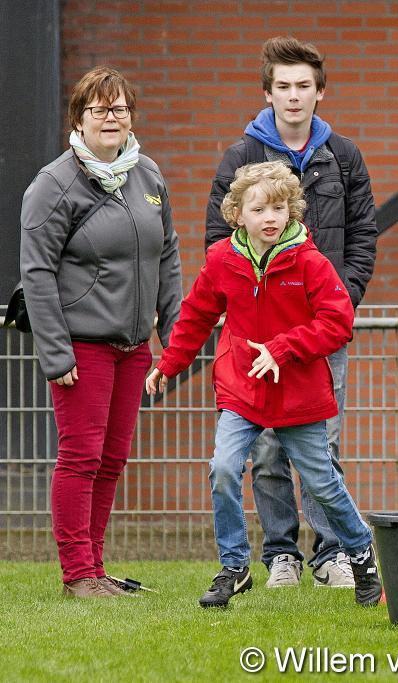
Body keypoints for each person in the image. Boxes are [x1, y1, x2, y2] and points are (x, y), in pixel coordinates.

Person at [148, 161, 381, 608]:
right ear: (237, 214)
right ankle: (234, 566)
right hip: (242, 390)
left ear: (292, 210)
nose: (270, 218)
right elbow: (196, 314)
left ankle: (361, 552)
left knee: (322, 483)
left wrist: (283, 348)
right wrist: (170, 363)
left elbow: (338, 322)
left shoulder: (309, 262)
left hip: (299, 394)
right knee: (223, 468)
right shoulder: (222, 260)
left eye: (278, 208)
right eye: (258, 209)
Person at [205, 36, 378, 588]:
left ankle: (333, 554)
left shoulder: (343, 155)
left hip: (320, 333)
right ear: (268, 93)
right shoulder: (241, 156)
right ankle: (281, 553)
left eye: (304, 85)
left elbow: (364, 234)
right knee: (265, 451)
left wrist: (342, 301)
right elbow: (217, 239)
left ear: (320, 92)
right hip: (258, 338)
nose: (294, 95)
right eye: (284, 86)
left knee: (321, 445)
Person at [19, 66, 182, 598]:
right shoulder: (53, 184)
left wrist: (174, 335)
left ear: (131, 116)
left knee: (111, 461)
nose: (111, 118)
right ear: (79, 118)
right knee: (81, 458)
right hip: (80, 347)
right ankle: (77, 574)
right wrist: (55, 352)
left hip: (133, 348)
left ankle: (95, 567)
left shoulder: (148, 175)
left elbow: (168, 254)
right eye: (99, 109)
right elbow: (37, 272)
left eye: (120, 108)